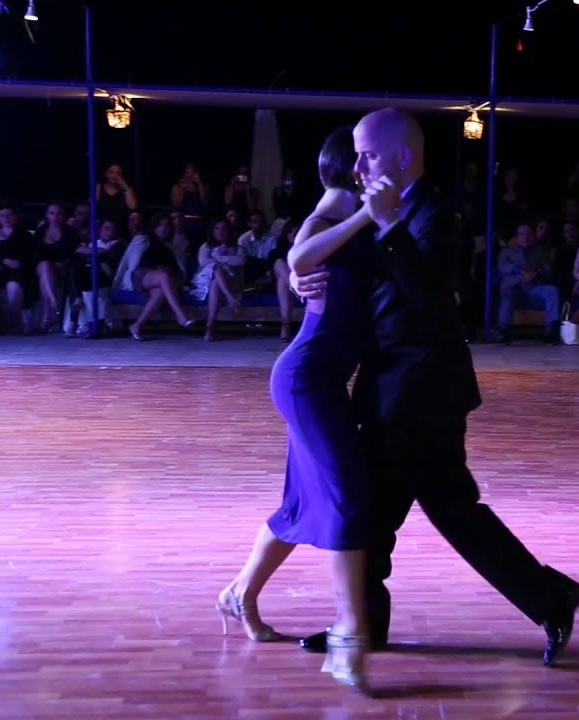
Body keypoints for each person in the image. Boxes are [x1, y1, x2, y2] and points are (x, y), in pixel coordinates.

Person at [293, 108, 579, 667]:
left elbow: (429, 296)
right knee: (428, 512)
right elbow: (313, 251)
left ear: (402, 156)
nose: (356, 166)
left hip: (423, 391)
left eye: (368, 155)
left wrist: (386, 226)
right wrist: (296, 272)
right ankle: (545, 597)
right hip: (394, 387)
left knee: (394, 513)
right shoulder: (380, 209)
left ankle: (363, 625)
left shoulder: (436, 215)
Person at [217, 126, 375, 693]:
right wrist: (361, 219)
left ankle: (239, 594)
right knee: (346, 498)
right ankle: (349, 635)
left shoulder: (356, 224)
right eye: (368, 161)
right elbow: (298, 252)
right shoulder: (327, 221)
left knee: (299, 503)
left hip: (323, 382)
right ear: (352, 169)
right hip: (305, 379)